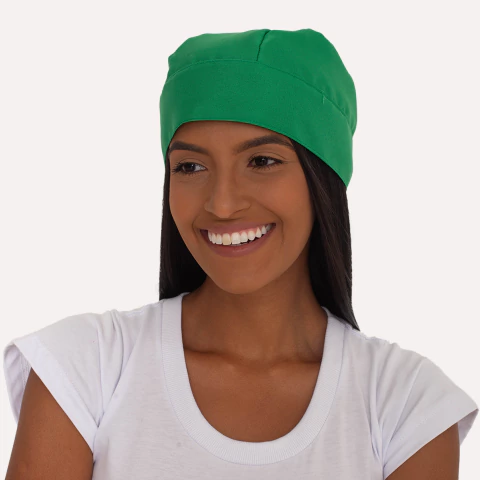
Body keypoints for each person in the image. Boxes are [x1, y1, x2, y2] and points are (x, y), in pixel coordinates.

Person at [4, 28, 478, 479]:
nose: (222, 204)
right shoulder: (83, 365)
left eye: (262, 161)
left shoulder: (407, 403)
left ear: (322, 178)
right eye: (190, 166)